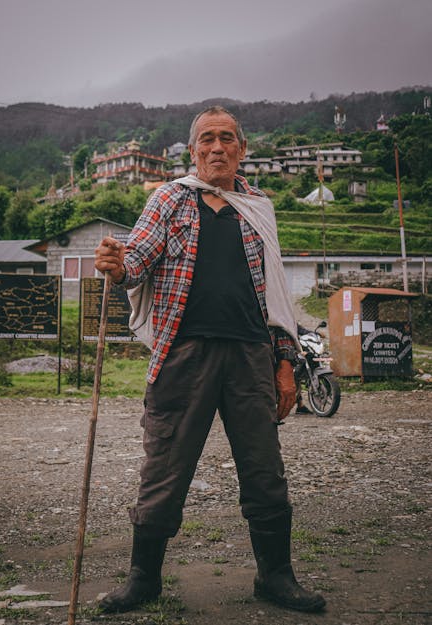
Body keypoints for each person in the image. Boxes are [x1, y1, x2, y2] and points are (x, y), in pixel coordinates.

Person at [94, 106, 326, 614]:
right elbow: (137, 257)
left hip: (250, 356)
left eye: (226, 139)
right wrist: (118, 264)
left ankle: (276, 577)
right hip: (185, 356)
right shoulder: (169, 200)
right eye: (206, 140)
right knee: (164, 468)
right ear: (193, 150)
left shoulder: (258, 206)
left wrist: (285, 364)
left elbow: (277, 299)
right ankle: (143, 579)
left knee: (265, 471)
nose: (216, 147)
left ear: (242, 150)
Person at [295, 323, 313, 414]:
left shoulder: (290, 321)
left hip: (295, 351)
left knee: (297, 375)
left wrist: (315, 334)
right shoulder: (276, 321)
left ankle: (300, 405)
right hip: (282, 351)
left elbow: (302, 331)